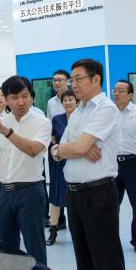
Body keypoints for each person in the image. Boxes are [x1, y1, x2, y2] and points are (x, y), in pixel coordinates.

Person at [50, 58, 130, 270]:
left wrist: (72, 149)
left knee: (107, 264)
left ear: (96, 79)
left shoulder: (105, 108)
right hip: (74, 194)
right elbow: (60, 148)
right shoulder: (79, 111)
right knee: (85, 266)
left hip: (99, 193)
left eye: (78, 78)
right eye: (72, 79)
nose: (73, 84)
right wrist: (67, 149)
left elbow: (79, 146)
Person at [0, 76, 52, 265]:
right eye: (14, 97)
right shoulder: (1, 123)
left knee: (34, 247)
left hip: (29, 192)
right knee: (6, 248)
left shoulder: (42, 122)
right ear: (6, 99)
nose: (21, 102)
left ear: (31, 96)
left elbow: (33, 150)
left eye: (25, 96)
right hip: (3, 193)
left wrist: (8, 133)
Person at [112, 80, 136, 254]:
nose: (116, 93)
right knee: (112, 205)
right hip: (113, 165)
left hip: (134, 163)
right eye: (114, 90)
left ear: (130, 95)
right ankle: (111, 239)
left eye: (120, 90)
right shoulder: (109, 113)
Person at [47, 89, 77, 246]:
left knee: (75, 200)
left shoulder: (82, 118)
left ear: (77, 102)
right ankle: (53, 232)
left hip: (77, 162)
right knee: (56, 198)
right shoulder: (57, 119)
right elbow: (52, 139)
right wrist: (57, 151)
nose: (68, 102)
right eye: (65, 100)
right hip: (59, 163)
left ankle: (77, 233)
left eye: (71, 99)